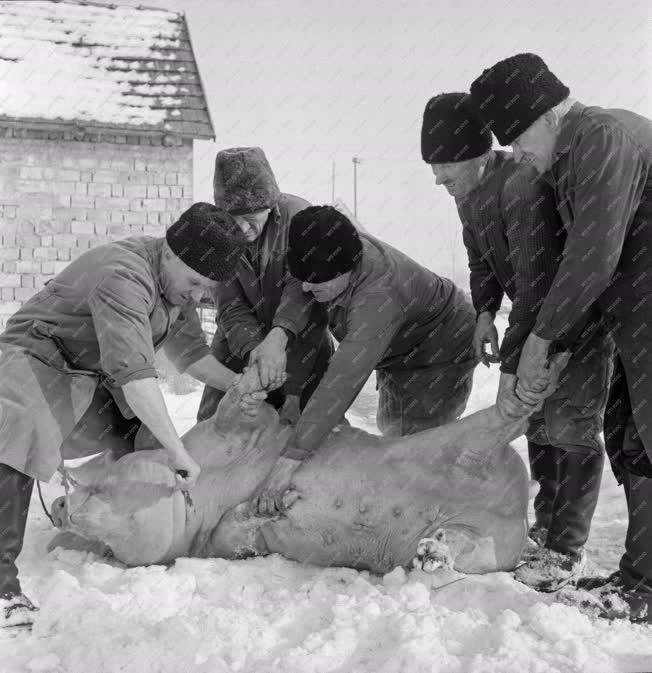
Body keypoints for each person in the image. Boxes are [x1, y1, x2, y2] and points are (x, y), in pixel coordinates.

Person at [0, 203, 263, 628]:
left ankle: (99, 520)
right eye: (195, 284)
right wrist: (180, 452)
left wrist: (239, 384)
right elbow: (137, 379)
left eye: (206, 290)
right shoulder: (124, 276)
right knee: (21, 437)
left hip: (86, 375)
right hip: (32, 358)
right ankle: (2, 589)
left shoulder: (175, 286)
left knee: (144, 442)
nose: (197, 296)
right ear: (172, 253)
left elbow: (192, 356)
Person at [469, 52, 652, 622]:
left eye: (519, 138)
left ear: (548, 116)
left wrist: (543, 342)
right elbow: (592, 271)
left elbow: (593, 257)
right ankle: (639, 577)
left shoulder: (600, 138)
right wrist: (560, 343)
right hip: (634, 315)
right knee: (631, 436)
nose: (518, 154)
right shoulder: (570, 155)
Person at [421, 92, 612, 591]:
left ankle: (566, 551)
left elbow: (533, 284)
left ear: (475, 153)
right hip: (536, 325)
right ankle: (546, 533)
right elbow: (481, 261)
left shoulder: (521, 186)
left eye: (444, 166)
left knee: (570, 425)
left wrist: (517, 363)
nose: (437, 179)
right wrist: (484, 311)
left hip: (575, 323)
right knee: (541, 425)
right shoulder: (469, 198)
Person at [254, 205, 477, 515]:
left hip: (440, 348)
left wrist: (292, 457)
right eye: (303, 278)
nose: (306, 287)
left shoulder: (379, 295)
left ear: (347, 269)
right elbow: (299, 285)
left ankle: (447, 521)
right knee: (394, 430)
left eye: (316, 283)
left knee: (418, 446)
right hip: (398, 350)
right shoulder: (326, 249)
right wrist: (279, 334)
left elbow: (342, 380)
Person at [197, 147, 333, 426]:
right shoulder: (216, 234)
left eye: (250, 219)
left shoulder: (301, 217)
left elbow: (303, 291)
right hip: (239, 340)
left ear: (270, 205)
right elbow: (231, 306)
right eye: (232, 219)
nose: (242, 229)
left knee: (311, 426)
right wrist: (256, 354)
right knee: (215, 422)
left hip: (302, 337)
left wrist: (279, 338)